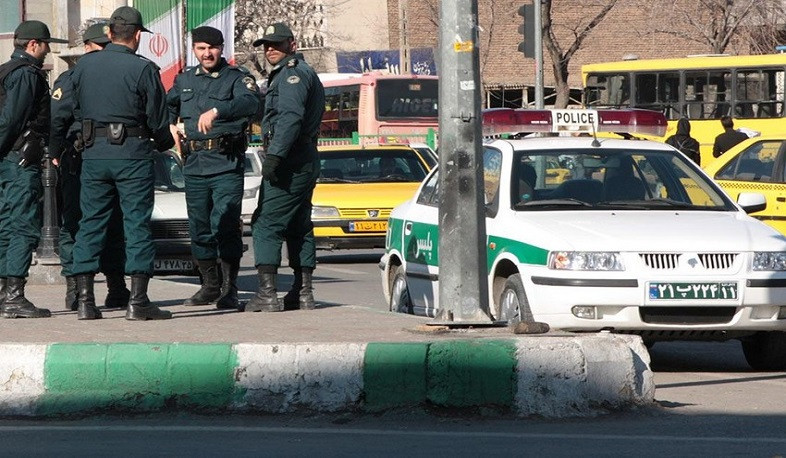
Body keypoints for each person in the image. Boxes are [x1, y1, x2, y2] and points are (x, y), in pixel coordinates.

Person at [54, 6, 175, 320]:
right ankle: (138, 302)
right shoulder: (143, 68)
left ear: (109, 33)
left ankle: (84, 302)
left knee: (90, 223)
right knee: (135, 224)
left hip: (93, 155)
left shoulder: (82, 68)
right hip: (132, 154)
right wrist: (162, 142)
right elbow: (158, 118)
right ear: (136, 35)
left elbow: (72, 110)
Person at [167, 26, 262, 310]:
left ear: (222, 49)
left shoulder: (237, 78)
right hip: (194, 164)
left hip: (225, 162)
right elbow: (166, 105)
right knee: (198, 226)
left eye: (212, 48)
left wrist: (217, 111)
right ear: (194, 50)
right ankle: (209, 285)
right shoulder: (184, 80)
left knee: (225, 222)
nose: (207, 53)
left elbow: (251, 102)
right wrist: (169, 124)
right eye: (201, 48)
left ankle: (229, 288)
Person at [245, 22, 325, 312]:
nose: (270, 49)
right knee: (298, 224)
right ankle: (303, 293)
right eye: (266, 45)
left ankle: (267, 294)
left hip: (291, 159)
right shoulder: (298, 73)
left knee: (266, 223)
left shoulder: (292, 75)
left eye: (276, 44)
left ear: (292, 44)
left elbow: (290, 118)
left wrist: (275, 157)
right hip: (302, 156)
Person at [50, 23, 129, 313]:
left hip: (108, 158)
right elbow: (57, 118)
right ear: (87, 48)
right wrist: (56, 151)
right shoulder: (71, 78)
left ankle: (116, 286)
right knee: (76, 223)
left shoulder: (116, 74)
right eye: (100, 47)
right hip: (78, 160)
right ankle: (75, 288)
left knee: (113, 224)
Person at [0, 21, 68, 319]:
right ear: (32, 45)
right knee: (23, 227)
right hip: (18, 161)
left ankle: (4, 292)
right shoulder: (27, 75)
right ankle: (14, 296)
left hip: (8, 160)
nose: (48, 50)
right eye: (45, 44)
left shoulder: (5, 70)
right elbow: (12, 120)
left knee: (4, 225)